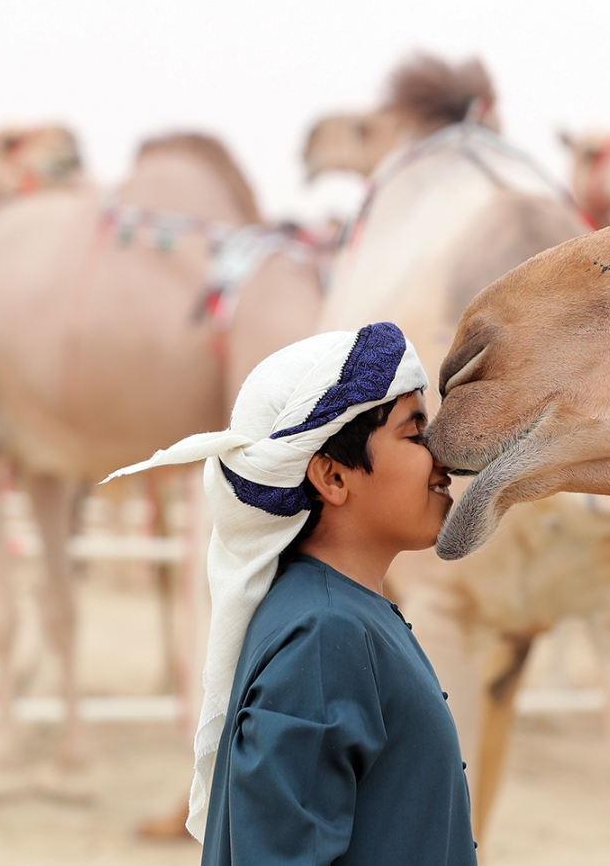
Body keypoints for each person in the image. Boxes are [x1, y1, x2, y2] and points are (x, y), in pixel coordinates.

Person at [107, 322, 475, 865]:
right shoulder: (326, 634)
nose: (444, 454)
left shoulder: (337, 615)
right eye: (416, 433)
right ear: (332, 476)